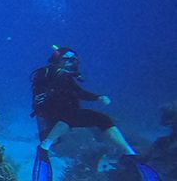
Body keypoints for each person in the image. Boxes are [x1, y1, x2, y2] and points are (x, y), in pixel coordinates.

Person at [30, 45, 159, 181]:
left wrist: (98, 97)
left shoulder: (67, 77)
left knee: (102, 119)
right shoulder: (44, 74)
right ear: (57, 59)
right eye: (67, 60)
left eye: (73, 61)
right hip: (52, 115)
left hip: (71, 114)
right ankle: (45, 146)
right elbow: (42, 96)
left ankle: (129, 152)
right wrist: (54, 89)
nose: (70, 63)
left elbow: (79, 92)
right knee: (70, 116)